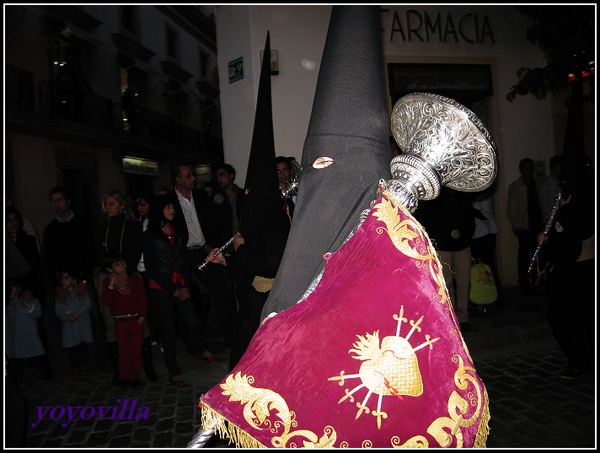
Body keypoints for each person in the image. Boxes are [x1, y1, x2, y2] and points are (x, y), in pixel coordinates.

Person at [143, 193, 215, 388]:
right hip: (161, 287)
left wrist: (184, 286)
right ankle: (173, 371)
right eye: (167, 207)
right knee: (168, 329)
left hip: (181, 283)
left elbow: (183, 260)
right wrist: (172, 288)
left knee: (193, 319)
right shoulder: (150, 235)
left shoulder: (178, 231)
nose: (172, 210)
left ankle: (202, 348)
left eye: (172, 207)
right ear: (159, 210)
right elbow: (151, 268)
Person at [537, 155, 594, 379]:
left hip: (577, 267)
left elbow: (575, 232)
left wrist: (561, 214)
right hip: (572, 266)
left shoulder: (581, 200)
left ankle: (582, 362)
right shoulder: (575, 196)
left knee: (574, 318)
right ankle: (580, 360)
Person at [43, 186, 108, 374]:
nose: (57, 204)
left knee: (95, 318)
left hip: (83, 279)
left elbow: (90, 254)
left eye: (60, 200)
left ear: (68, 201)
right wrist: (57, 286)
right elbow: (48, 260)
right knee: (67, 321)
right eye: (53, 201)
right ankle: (76, 361)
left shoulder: (82, 223)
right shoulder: (51, 229)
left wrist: (84, 281)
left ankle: (102, 359)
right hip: (62, 282)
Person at [171, 163, 226, 354]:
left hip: (202, 250)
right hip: (184, 254)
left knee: (219, 290)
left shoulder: (201, 196)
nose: (193, 178)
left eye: (193, 175)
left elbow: (212, 221)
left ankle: (228, 334)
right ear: (178, 180)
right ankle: (194, 342)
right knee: (188, 297)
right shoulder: (170, 201)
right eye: (189, 176)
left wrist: (215, 245)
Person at [95, 189, 143, 385]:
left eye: (112, 203)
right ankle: (119, 371)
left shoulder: (132, 225)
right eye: (106, 204)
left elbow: (135, 249)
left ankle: (139, 370)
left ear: (121, 205)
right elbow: (98, 252)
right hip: (109, 276)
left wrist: (125, 273)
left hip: (129, 274)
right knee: (110, 322)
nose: (108, 207)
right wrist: (112, 275)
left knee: (137, 321)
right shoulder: (102, 227)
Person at [415, 187, 477, 333]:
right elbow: (427, 219)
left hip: (463, 245)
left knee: (464, 282)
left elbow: (469, 217)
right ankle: (451, 320)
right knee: (446, 284)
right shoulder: (434, 195)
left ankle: (463, 319)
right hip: (442, 246)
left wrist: (466, 236)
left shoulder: (463, 194)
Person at [102, 252, 147, 388]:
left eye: (122, 263)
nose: (122, 266)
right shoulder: (108, 283)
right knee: (123, 352)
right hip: (120, 322)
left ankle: (134, 377)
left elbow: (142, 299)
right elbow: (107, 301)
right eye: (117, 265)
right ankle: (123, 377)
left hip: (134, 320)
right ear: (110, 269)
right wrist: (111, 285)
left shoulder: (133, 280)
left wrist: (141, 318)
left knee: (135, 351)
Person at [133, 191, 160, 381]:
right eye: (138, 204)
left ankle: (157, 335)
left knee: (153, 303)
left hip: (152, 269)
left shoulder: (154, 223)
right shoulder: (137, 222)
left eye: (143, 204)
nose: (140, 208)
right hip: (139, 268)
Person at [507, 158, 543, 291]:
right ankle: (524, 281)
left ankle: (537, 279)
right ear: (520, 170)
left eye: (530, 167)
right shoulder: (515, 186)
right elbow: (511, 208)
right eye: (525, 168)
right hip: (523, 226)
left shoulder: (537, 183)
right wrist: (516, 226)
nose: (527, 170)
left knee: (537, 253)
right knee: (523, 255)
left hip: (536, 224)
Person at [5, 278, 47, 385]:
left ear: (19, 289)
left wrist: (29, 306)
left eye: (12, 288)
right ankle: (18, 373)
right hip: (13, 335)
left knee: (34, 353)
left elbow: (36, 313)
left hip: (28, 333)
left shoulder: (27, 301)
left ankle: (40, 371)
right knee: (14, 355)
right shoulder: (7, 306)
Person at [55, 268, 94, 378]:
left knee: (82, 346)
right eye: (62, 279)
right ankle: (74, 366)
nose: (63, 281)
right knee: (72, 349)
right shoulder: (61, 295)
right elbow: (58, 309)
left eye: (66, 278)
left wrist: (78, 314)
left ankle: (83, 365)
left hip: (81, 324)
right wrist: (66, 316)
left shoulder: (81, 292)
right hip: (69, 326)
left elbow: (87, 304)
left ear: (73, 280)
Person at [471, 188, 505, 308]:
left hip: (485, 236)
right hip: (476, 236)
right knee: (479, 270)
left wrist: (470, 209)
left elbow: (486, 215)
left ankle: (496, 297)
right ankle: (484, 296)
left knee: (489, 267)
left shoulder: (483, 197)